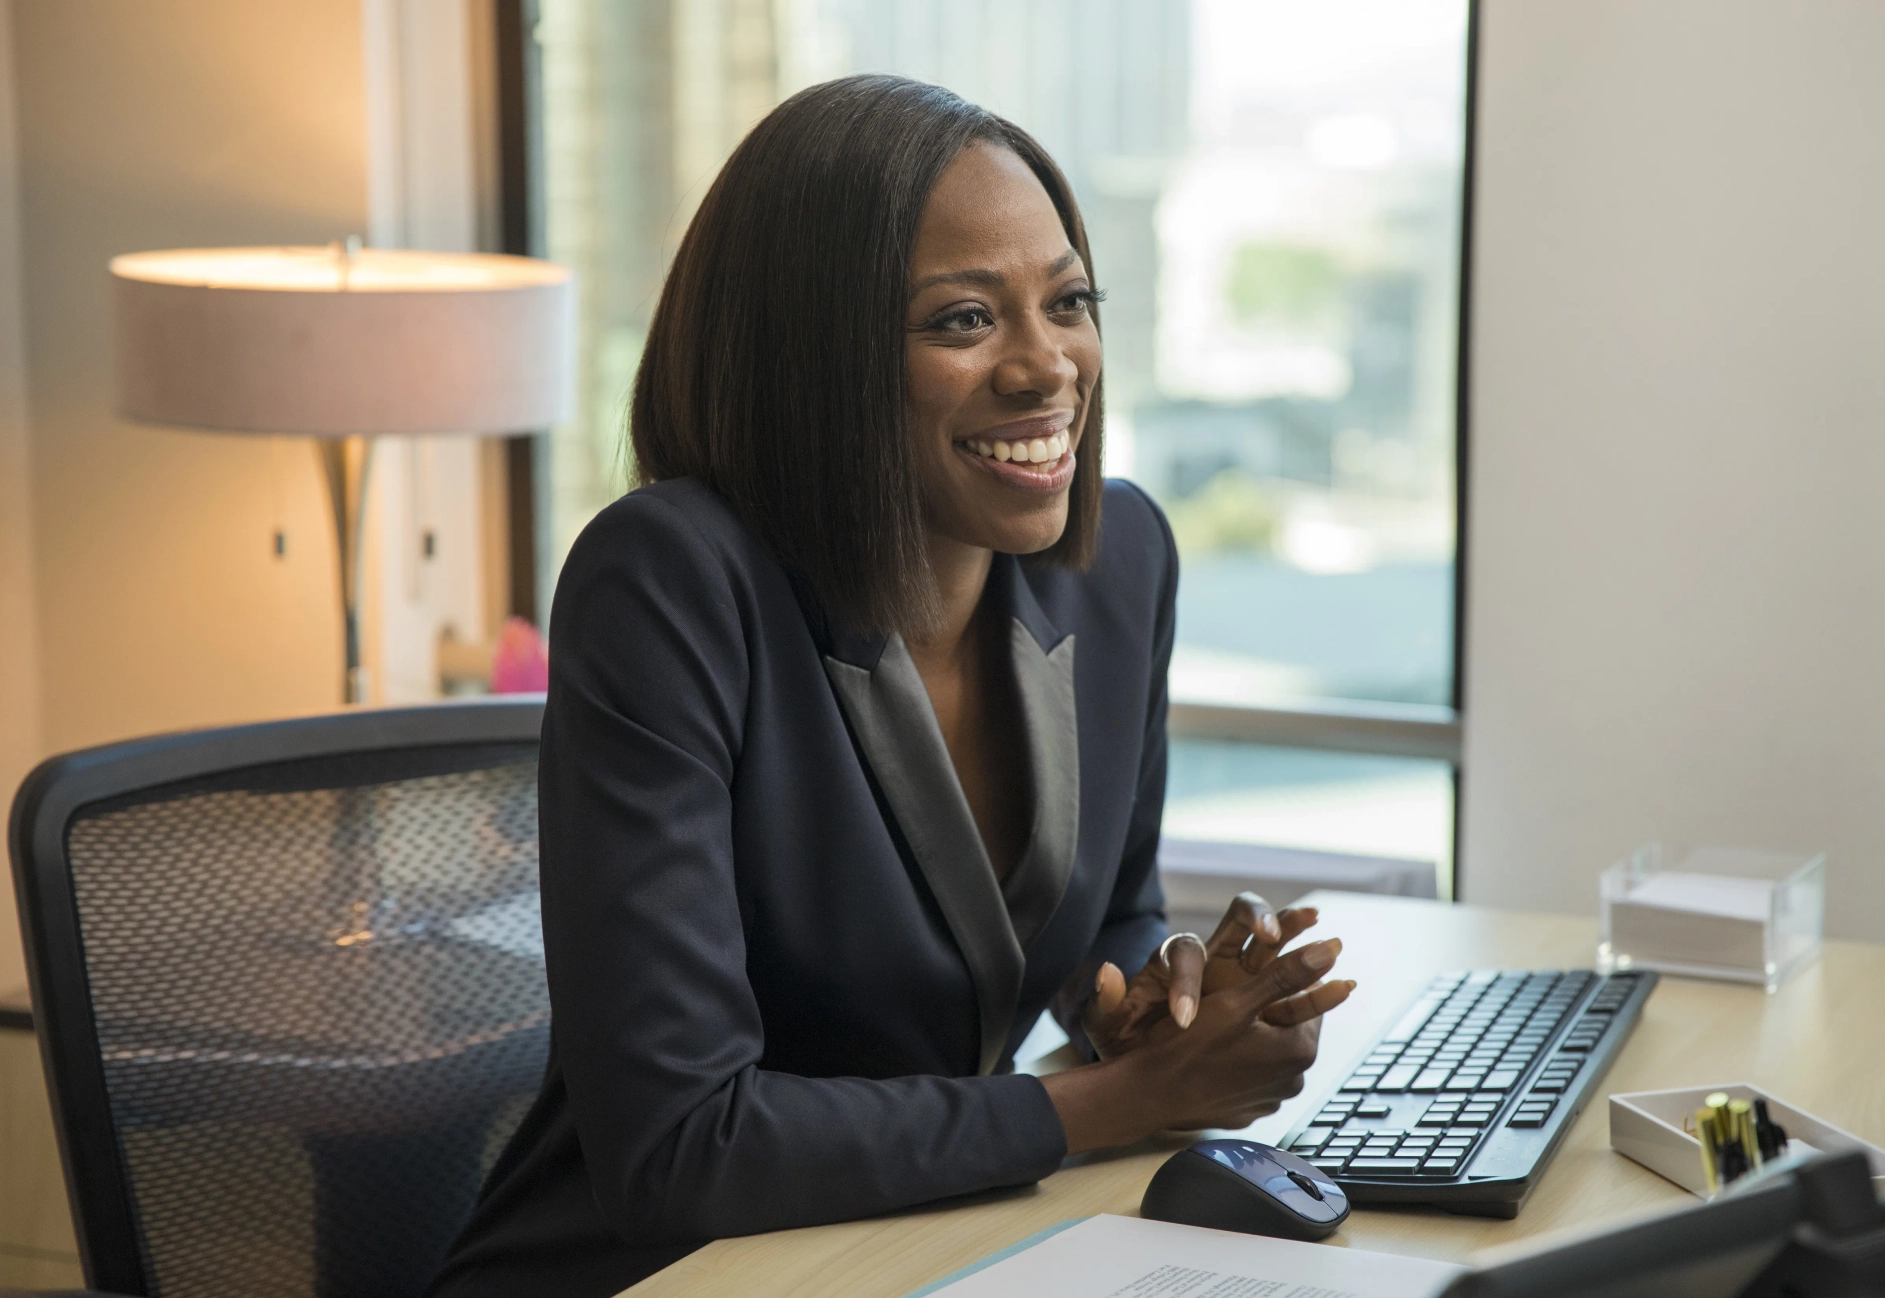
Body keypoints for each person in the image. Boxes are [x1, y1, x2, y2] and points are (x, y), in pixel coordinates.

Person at [430, 74, 1354, 1298]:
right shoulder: (671, 579)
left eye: (1068, 301)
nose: (1046, 367)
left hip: (927, 1244)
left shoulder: (1120, 558)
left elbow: (1112, 911)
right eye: (964, 320)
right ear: (814, 357)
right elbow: (680, 1145)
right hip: (656, 1270)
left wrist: (1156, 1001)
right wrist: (1107, 1100)